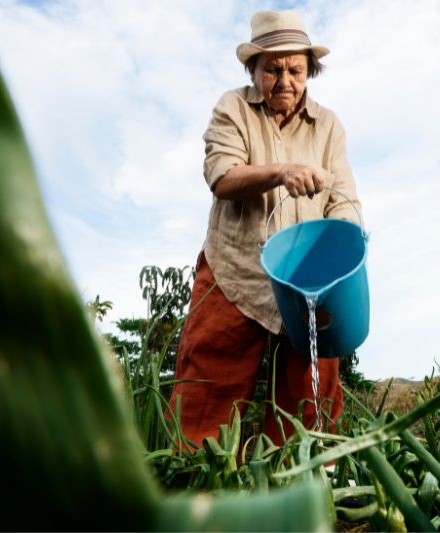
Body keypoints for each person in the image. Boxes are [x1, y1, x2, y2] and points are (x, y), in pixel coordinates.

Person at [165, 10, 362, 446]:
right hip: (235, 272)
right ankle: (197, 480)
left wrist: (348, 249)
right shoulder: (232, 108)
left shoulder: (328, 126)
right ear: (252, 69)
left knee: (310, 397)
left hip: (306, 281)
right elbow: (222, 177)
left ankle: (300, 484)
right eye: (272, 69)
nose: (284, 80)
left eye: (295, 69)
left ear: (311, 70)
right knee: (207, 388)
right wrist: (281, 172)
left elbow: (343, 200)